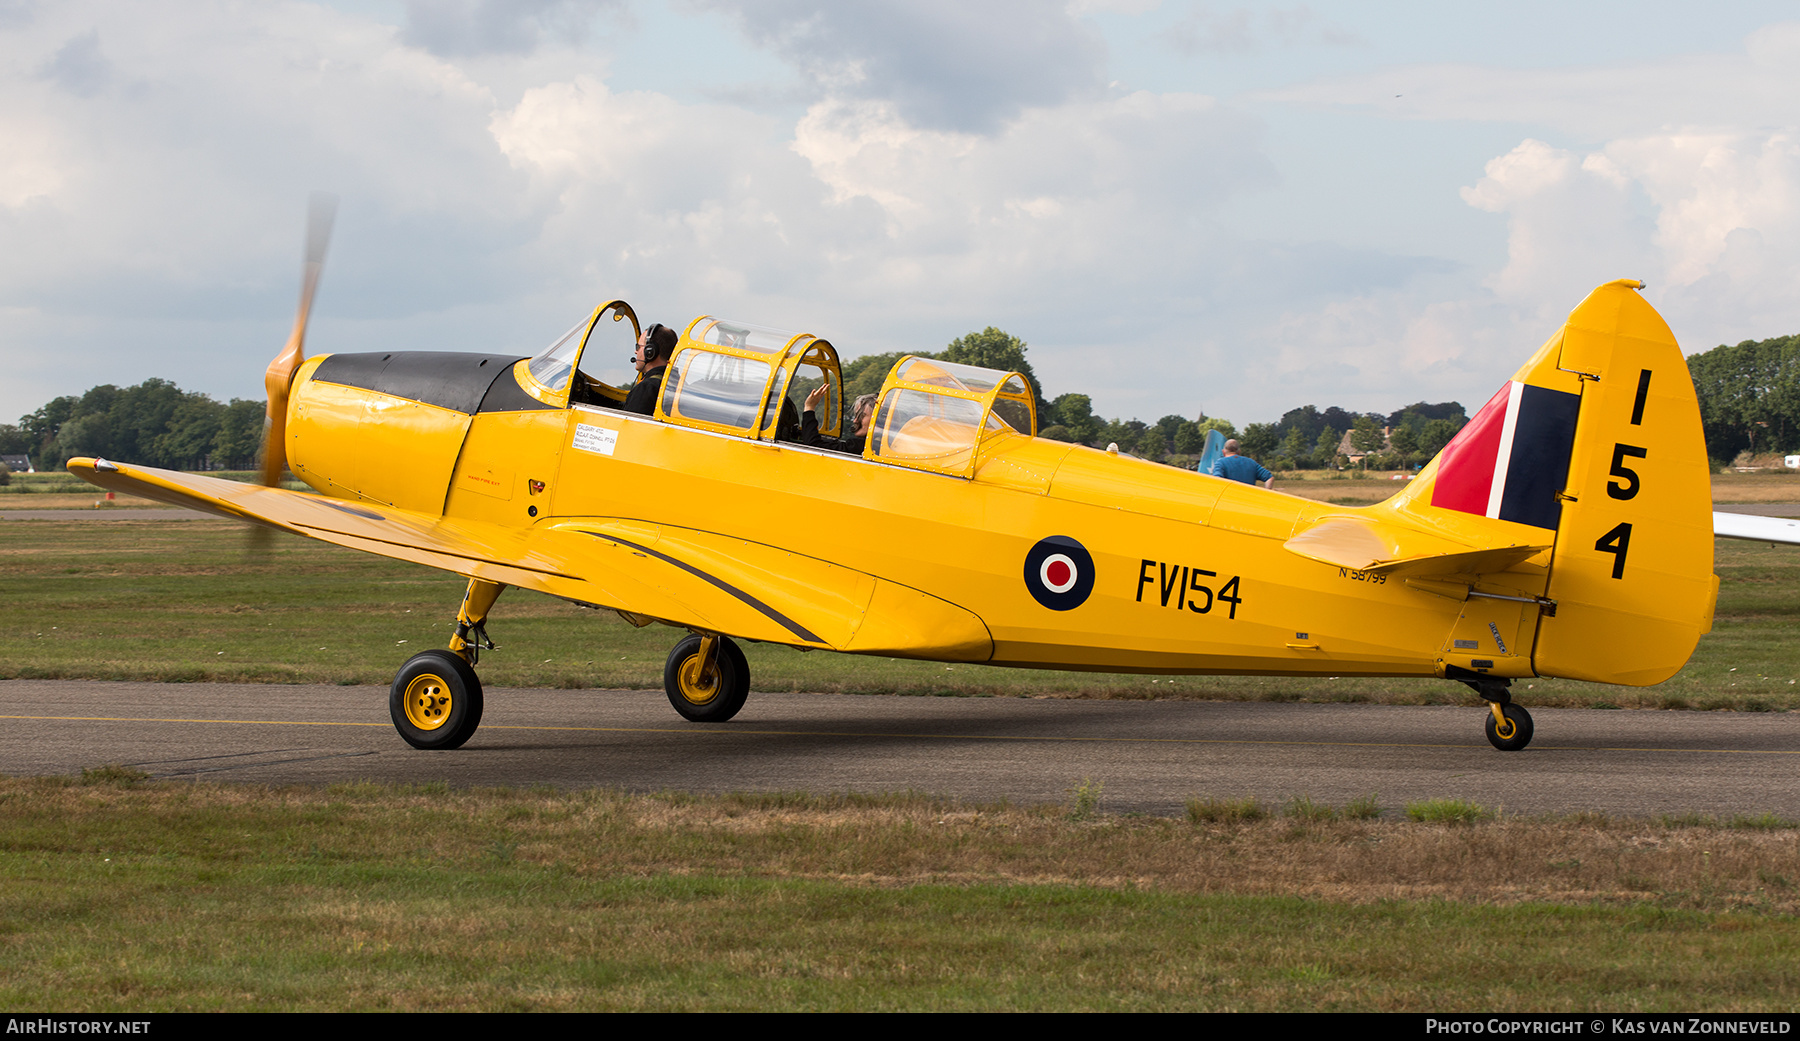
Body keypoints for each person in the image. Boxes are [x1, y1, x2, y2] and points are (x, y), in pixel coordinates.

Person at [800, 387, 876, 455]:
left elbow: (813, 446)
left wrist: (809, 407)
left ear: (876, 419)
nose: (855, 421)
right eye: (856, 416)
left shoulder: (860, 446)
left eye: (862, 416)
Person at [623, 323, 678, 415]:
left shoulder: (647, 389)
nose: (635, 351)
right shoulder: (678, 385)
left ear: (650, 351)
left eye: (638, 347)